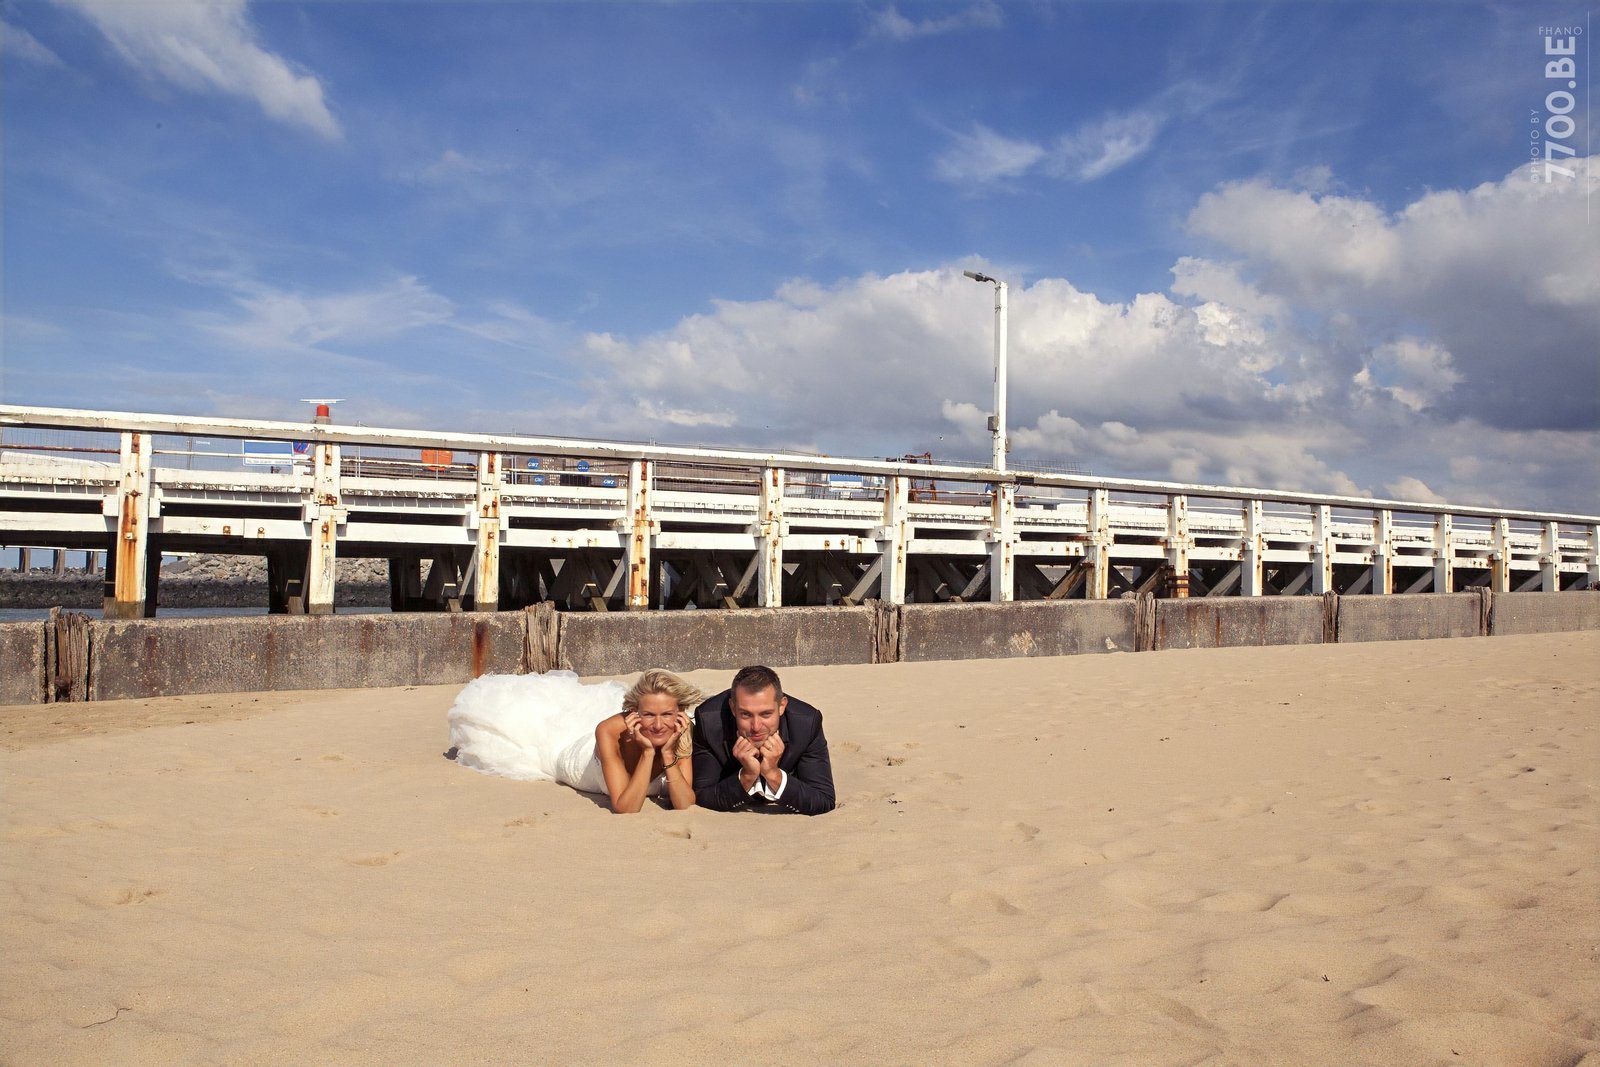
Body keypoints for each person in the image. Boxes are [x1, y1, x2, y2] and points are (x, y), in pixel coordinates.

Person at [447, 668, 703, 813]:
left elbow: (684, 804)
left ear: (678, 713)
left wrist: (669, 755)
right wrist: (648, 754)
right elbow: (626, 808)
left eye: (667, 715)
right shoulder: (609, 731)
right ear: (634, 712)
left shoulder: (681, 731)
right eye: (648, 715)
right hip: (575, 758)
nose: (658, 725)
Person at [691, 664, 835, 815]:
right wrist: (747, 776)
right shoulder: (709, 721)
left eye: (766, 714)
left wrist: (773, 774)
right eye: (745, 714)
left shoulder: (806, 723)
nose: (756, 727)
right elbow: (702, 796)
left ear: (782, 706)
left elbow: (824, 800)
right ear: (733, 708)